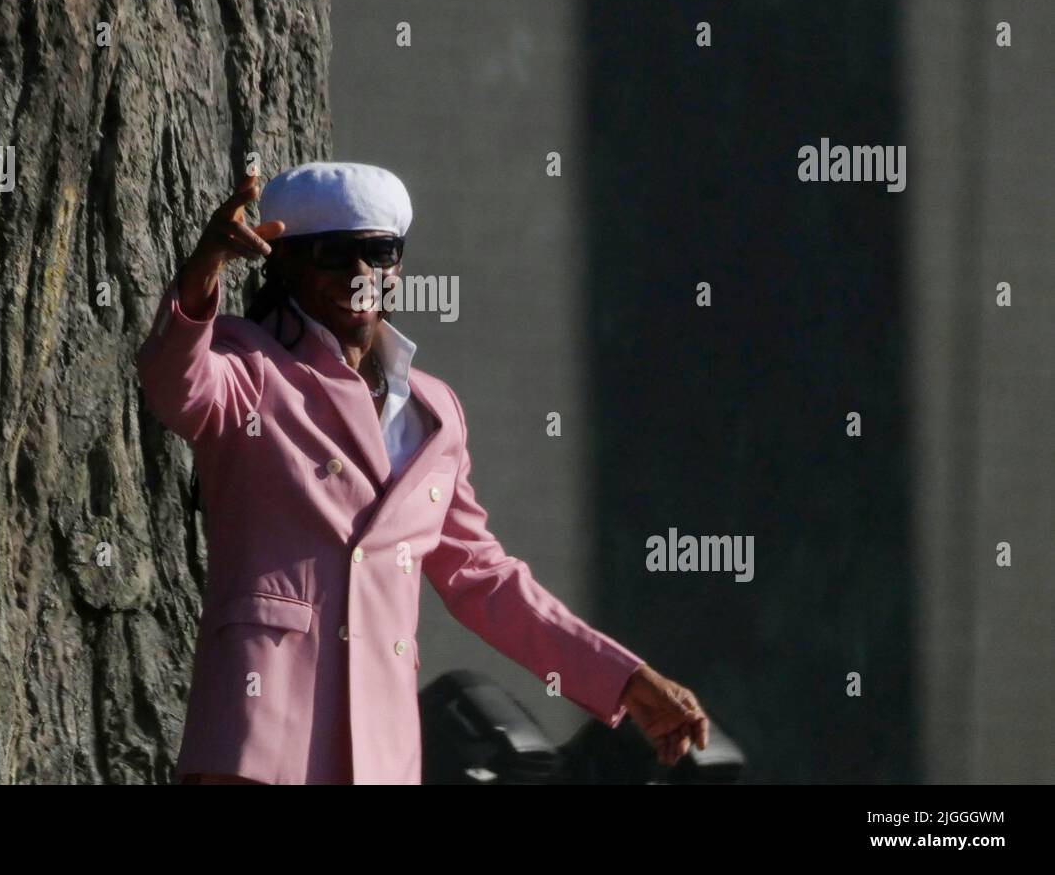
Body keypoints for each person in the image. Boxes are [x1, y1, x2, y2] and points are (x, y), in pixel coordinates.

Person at [136, 161, 709, 784]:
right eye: (333, 255)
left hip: (381, 754)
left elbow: (483, 579)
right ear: (285, 265)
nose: (360, 275)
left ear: (398, 265)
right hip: (258, 737)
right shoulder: (247, 365)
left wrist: (623, 679)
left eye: (378, 252)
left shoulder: (436, 412)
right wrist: (203, 271)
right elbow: (175, 386)